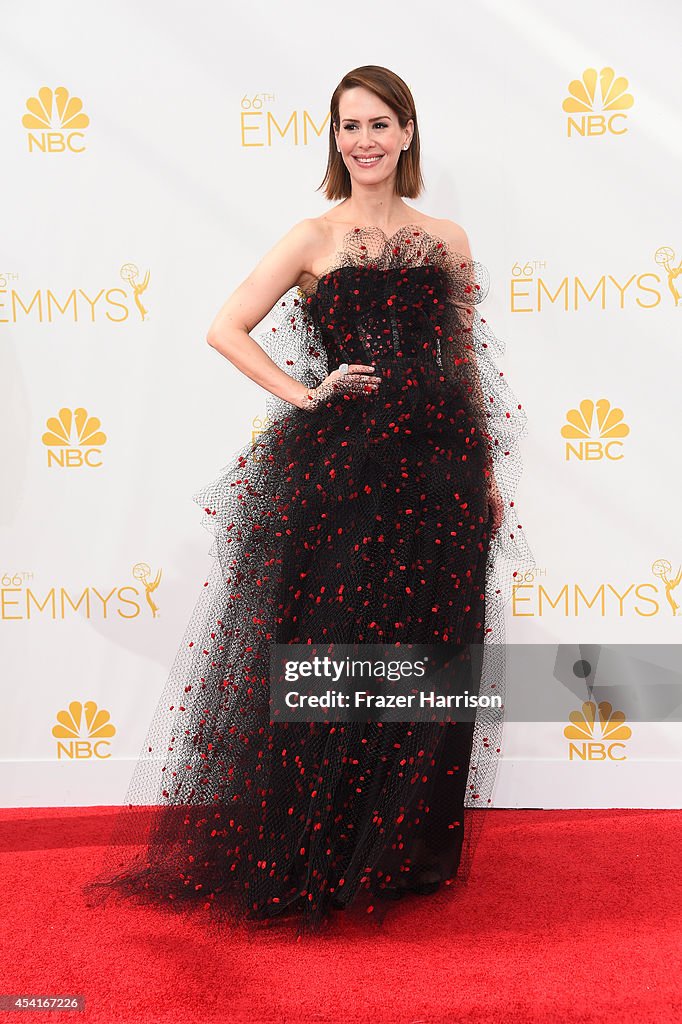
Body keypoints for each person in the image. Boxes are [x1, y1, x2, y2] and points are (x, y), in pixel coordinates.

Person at [81, 64, 534, 935]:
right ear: (335, 140)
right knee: (333, 653)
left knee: (432, 656)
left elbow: (464, 361)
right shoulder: (311, 238)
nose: (363, 140)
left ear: (407, 134)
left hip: (442, 469)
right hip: (348, 472)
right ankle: (318, 846)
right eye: (347, 126)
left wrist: (481, 475)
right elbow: (225, 326)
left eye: (378, 124)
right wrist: (305, 392)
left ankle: (401, 851)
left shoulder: (448, 239)